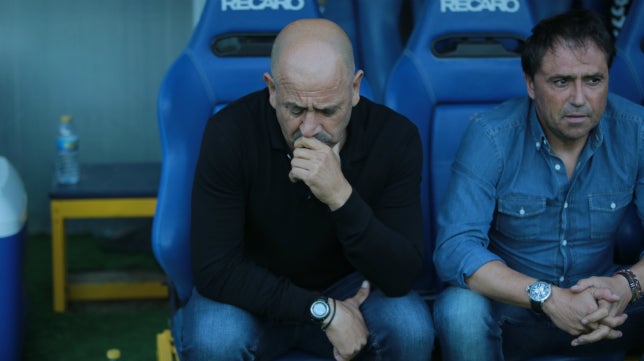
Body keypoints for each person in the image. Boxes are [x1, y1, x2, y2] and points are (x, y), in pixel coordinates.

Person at [183, 18, 434, 361]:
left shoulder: (394, 137)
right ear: (272, 90)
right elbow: (215, 268)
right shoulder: (230, 133)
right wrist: (322, 311)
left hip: (350, 288)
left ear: (355, 88)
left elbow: (402, 274)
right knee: (215, 337)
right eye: (295, 109)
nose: (310, 128)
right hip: (253, 294)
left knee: (410, 328)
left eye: (328, 110)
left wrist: (339, 196)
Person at [432, 9, 644, 361]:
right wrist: (547, 297)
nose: (579, 98)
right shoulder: (492, 135)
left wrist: (626, 286)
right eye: (561, 82)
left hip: (608, 307)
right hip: (518, 313)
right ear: (531, 83)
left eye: (593, 80)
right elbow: (455, 248)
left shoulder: (636, 130)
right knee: (459, 311)